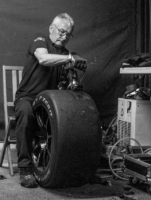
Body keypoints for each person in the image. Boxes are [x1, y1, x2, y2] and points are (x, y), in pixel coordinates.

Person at [14, 13, 87, 188]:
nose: (64, 37)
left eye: (68, 35)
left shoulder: (66, 53)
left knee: (69, 118)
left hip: (49, 102)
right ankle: (25, 169)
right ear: (51, 29)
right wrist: (71, 59)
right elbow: (43, 59)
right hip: (28, 97)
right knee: (25, 113)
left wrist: (76, 68)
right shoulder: (40, 41)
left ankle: (62, 167)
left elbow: (68, 79)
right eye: (62, 32)